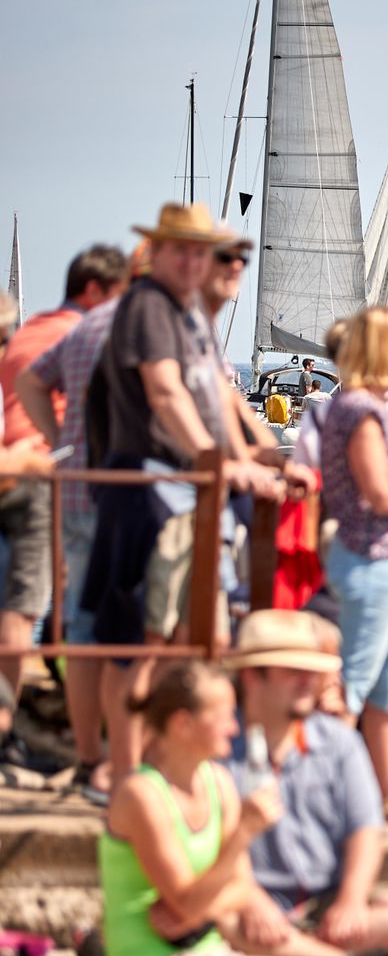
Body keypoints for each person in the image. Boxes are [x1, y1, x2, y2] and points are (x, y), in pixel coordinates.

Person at [99, 660, 388, 956]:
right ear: (183, 725)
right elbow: (188, 903)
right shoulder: (142, 795)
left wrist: (201, 906)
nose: (235, 728)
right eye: (222, 718)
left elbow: (236, 890)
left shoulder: (217, 781)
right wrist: (241, 837)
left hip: (211, 955)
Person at [83, 204, 280, 788]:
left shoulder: (189, 314)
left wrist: (251, 453)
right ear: (161, 251)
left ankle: (161, 765)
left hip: (188, 488)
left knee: (183, 638)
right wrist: (216, 462)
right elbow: (166, 392)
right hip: (149, 485)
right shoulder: (147, 306)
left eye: (205, 251)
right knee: (136, 643)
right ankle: (122, 771)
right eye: (186, 250)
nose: (197, 261)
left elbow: (216, 392)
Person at [223, 610, 388, 956]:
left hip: (325, 902)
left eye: (313, 671)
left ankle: (296, 952)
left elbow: (366, 830)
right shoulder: (216, 745)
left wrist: (351, 900)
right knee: (217, 915)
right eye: (294, 671)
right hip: (244, 900)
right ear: (252, 676)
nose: (309, 681)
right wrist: (250, 901)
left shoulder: (339, 741)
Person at [16, 246, 142, 798]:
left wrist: (53, 440)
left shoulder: (56, 328)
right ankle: (123, 761)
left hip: (47, 480)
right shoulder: (116, 327)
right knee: (123, 634)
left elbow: (27, 385)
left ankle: (83, 753)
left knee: (71, 621)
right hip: (87, 487)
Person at [318, 306, 388, 822]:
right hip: (370, 561)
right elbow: (380, 494)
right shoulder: (362, 411)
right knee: (353, 687)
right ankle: (315, 794)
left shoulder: (362, 406)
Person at [0, 246, 126, 695]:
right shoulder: (85, 334)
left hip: (8, 466)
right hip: (45, 471)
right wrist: (59, 444)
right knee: (31, 604)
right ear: (93, 291)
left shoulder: (28, 329)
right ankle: (11, 719)